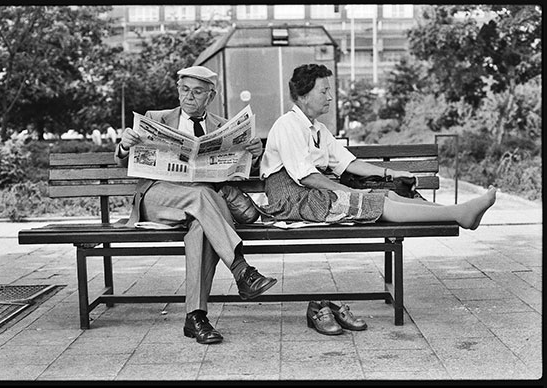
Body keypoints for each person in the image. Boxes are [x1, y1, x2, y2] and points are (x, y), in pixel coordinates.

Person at [115, 65, 277, 345]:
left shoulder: (223, 126)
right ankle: (240, 268)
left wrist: (254, 153)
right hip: (158, 198)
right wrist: (124, 146)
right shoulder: (156, 118)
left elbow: (239, 172)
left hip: (201, 208)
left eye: (197, 91)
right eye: (184, 89)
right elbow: (121, 162)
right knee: (202, 196)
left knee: (201, 224)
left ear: (210, 96)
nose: (189, 97)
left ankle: (196, 318)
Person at [260, 63, 496, 230]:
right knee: (374, 202)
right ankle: (458, 214)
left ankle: (459, 213)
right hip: (293, 200)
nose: (330, 97)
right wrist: (348, 191)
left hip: (313, 194)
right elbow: (307, 177)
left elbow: (349, 163)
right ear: (303, 96)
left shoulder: (318, 129)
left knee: (386, 194)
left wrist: (391, 173)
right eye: (324, 91)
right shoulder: (288, 124)